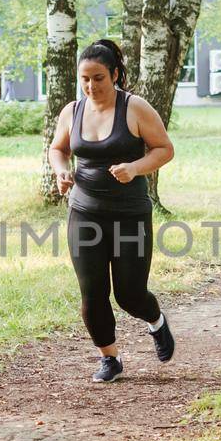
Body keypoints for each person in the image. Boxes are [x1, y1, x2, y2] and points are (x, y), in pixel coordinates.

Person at [47, 39, 176, 382]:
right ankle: (110, 358)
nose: (91, 86)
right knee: (92, 293)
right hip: (85, 212)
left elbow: (164, 149)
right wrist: (61, 170)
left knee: (130, 294)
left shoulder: (135, 108)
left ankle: (156, 321)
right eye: (85, 79)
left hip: (130, 213)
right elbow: (57, 148)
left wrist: (135, 168)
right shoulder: (72, 111)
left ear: (115, 74)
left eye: (99, 78)